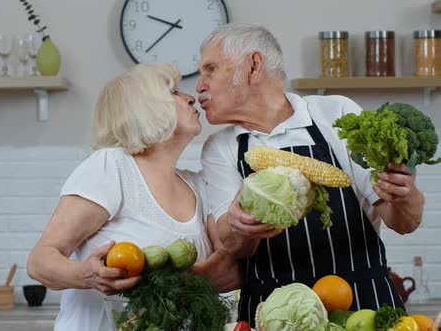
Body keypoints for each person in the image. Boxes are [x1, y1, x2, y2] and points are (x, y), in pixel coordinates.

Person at [195, 23, 425, 327]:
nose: (198, 85)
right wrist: (240, 226)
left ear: (253, 66)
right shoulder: (221, 147)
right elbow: (231, 244)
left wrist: (404, 194)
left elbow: (404, 222)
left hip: (363, 305)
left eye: (210, 69)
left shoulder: (337, 114)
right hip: (276, 315)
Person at [27, 63, 233, 331]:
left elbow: (230, 268)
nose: (190, 97)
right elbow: (40, 261)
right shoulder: (112, 167)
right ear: (145, 108)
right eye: (173, 93)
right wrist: (87, 275)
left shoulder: (199, 185)